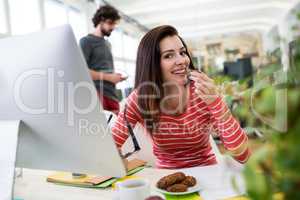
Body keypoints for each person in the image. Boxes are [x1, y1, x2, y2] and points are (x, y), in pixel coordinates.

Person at [112, 25, 250, 169]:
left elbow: (243, 155)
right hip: (166, 180)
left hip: (208, 173)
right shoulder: (140, 98)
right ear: (151, 64)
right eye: (168, 55)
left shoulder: (202, 91)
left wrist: (217, 103)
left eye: (182, 53)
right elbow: (111, 145)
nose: (182, 61)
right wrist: (117, 159)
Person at [80, 5, 126, 114]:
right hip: (97, 93)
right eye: (110, 23)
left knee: (116, 128)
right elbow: (82, 71)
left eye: (114, 24)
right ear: (101, 21)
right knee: (101, 128)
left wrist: (115, 77)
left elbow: (105, 69)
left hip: (112, 93)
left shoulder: (107, 44)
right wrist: (110, 77)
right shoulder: (86, 41)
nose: (113, 27)